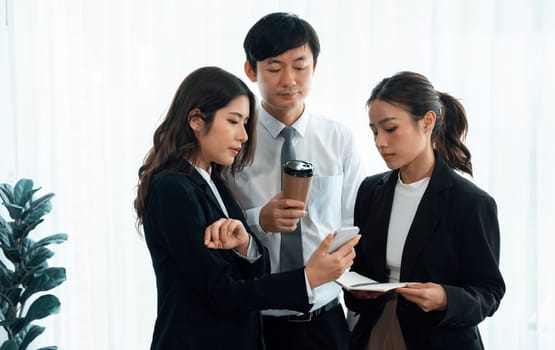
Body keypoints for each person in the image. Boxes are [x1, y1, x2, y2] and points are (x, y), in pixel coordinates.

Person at [134, 66, 359, 350]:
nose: (243, 136)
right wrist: (308, 278)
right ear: (195, 120)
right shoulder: (172, 188)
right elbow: (221, 293)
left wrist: (247, 246)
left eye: (245, 124)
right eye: (233, 121)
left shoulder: (214, 180)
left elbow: (253, 272)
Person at [223, 12, 366, 350]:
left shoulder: (338, 138)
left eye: (300, 66)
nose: (289, 79)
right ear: (250, 70)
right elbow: (215, 223)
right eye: (274, 68)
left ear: (314, 67)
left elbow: (354, 221)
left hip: (325, 320)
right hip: (255, 323)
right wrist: (259, 218)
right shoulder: (233, 140)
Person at [344, 71, 505, 350]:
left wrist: (446, 298)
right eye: (374, 131)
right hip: (374, 334)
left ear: (427, 121)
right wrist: (358, 291)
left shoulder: (470, 202)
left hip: (440, 340)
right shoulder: (370, 191)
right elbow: (359, 272)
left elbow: (488, 292)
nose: (380, 142)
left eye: (390, 129)